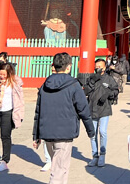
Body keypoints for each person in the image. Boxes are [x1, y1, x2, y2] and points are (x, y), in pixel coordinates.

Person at [32, 52, 96, 184]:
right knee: (59, 169)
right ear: (69, 67)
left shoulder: (45, 85)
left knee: (60, 167)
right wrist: (91, 130)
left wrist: (36, 135)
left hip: (47, 132)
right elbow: (83, 109)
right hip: (64, 133)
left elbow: (38, 110)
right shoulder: (74, 85)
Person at [83, 58, 119, 167]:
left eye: (100, 66)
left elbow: (116, 90)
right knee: (92, 134)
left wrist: (108, 94)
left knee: (102, 131)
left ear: (105, 68)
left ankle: (102, 154)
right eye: (96, 66)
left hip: (104, 109)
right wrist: (92, 82)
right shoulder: (91, 78)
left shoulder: (109, 79)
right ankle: (95, 156)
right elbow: (85, 91)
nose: (98, 68)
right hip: (92, 108)